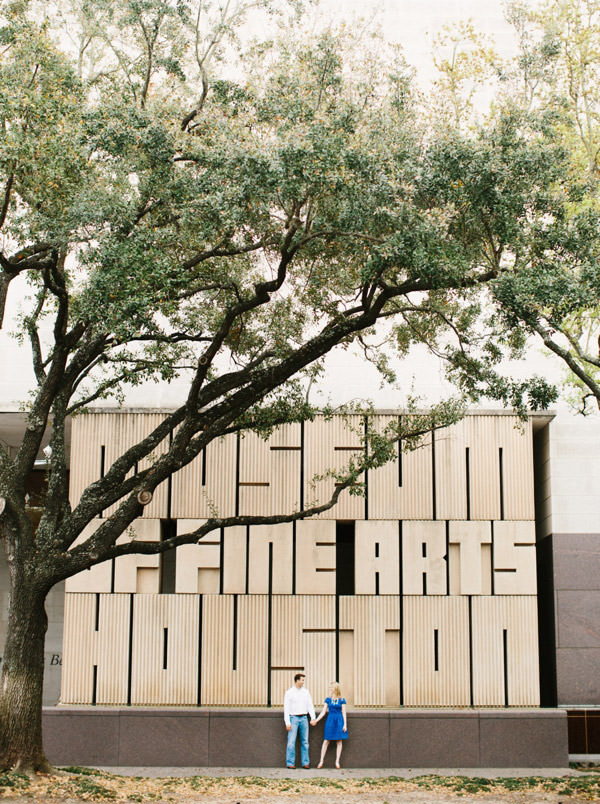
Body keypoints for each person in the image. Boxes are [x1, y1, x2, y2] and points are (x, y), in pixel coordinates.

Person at [283, 672, 317, 769]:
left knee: (305, 741)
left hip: (304, 718)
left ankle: (305, 763)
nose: (303, 682)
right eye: (302, 680)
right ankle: (290, 763)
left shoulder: (306, 692)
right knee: (291, 741)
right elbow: (286, 708)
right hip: (293, 718)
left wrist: (313, 717)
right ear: (297, 680)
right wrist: (287, 722)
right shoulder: (289, 692)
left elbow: (310, 705)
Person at [314, 682, 348, 769]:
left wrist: (345, 725)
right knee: (326, 741)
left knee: (339, 741)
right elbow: (323, 711)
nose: (330, 689)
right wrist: (316, 720)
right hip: (330, 720)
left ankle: (337, 761)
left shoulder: (342, 700)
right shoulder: (328, 699)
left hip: (339, 720)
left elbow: (344, 713)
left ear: (335, 688)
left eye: (331, 687)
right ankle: (321, 761)